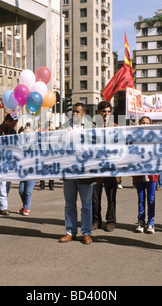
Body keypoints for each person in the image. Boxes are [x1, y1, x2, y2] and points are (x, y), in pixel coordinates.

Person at [59, 103, 94, 244]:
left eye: (78, 112)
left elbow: (96, 149)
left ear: (84, 113)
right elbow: (57, 146)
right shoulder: (64, 127)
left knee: (86, 204)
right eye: (73, 111)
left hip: (85, 172)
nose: (75, 114)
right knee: (69, 204)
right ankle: (70, 231)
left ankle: (86, 232)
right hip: (69, 171)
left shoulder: (91, 128)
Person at [92, 101, 118, 232]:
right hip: (96, 168)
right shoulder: (91, 128)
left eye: (108, 111)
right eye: (103, 111)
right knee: (95, 197)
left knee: (111, 196)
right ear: (98, 112)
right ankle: (96, 220)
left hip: (111, 167)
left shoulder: (116, 127)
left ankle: (111, 221)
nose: (106, 114)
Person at [132, 116, 159, 234]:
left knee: (151, 199)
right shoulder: (135, 138)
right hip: (139, 174)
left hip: (152, 174)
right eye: (142, 123)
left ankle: (151, 223)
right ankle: (141, 221)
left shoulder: (155, 138)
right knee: (141, 199)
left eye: (147, 123)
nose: (144, 125)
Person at [0, 114, 18, 215]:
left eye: (15, 124)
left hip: (9, 160)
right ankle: (3, 206)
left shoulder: (13, 132)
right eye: (12, 123)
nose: (13, 125)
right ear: (6, 120)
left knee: (7, 184)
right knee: (2, 183)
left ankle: (0, 203)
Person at [39, 121, 55, 191]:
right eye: (51, 126)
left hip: (51, 153)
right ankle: (42, 184)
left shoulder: (54, 133)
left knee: (51, 169)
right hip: (44, 153)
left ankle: (51, 184)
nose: (52, 127)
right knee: (43, 169)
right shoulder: (43, 133)